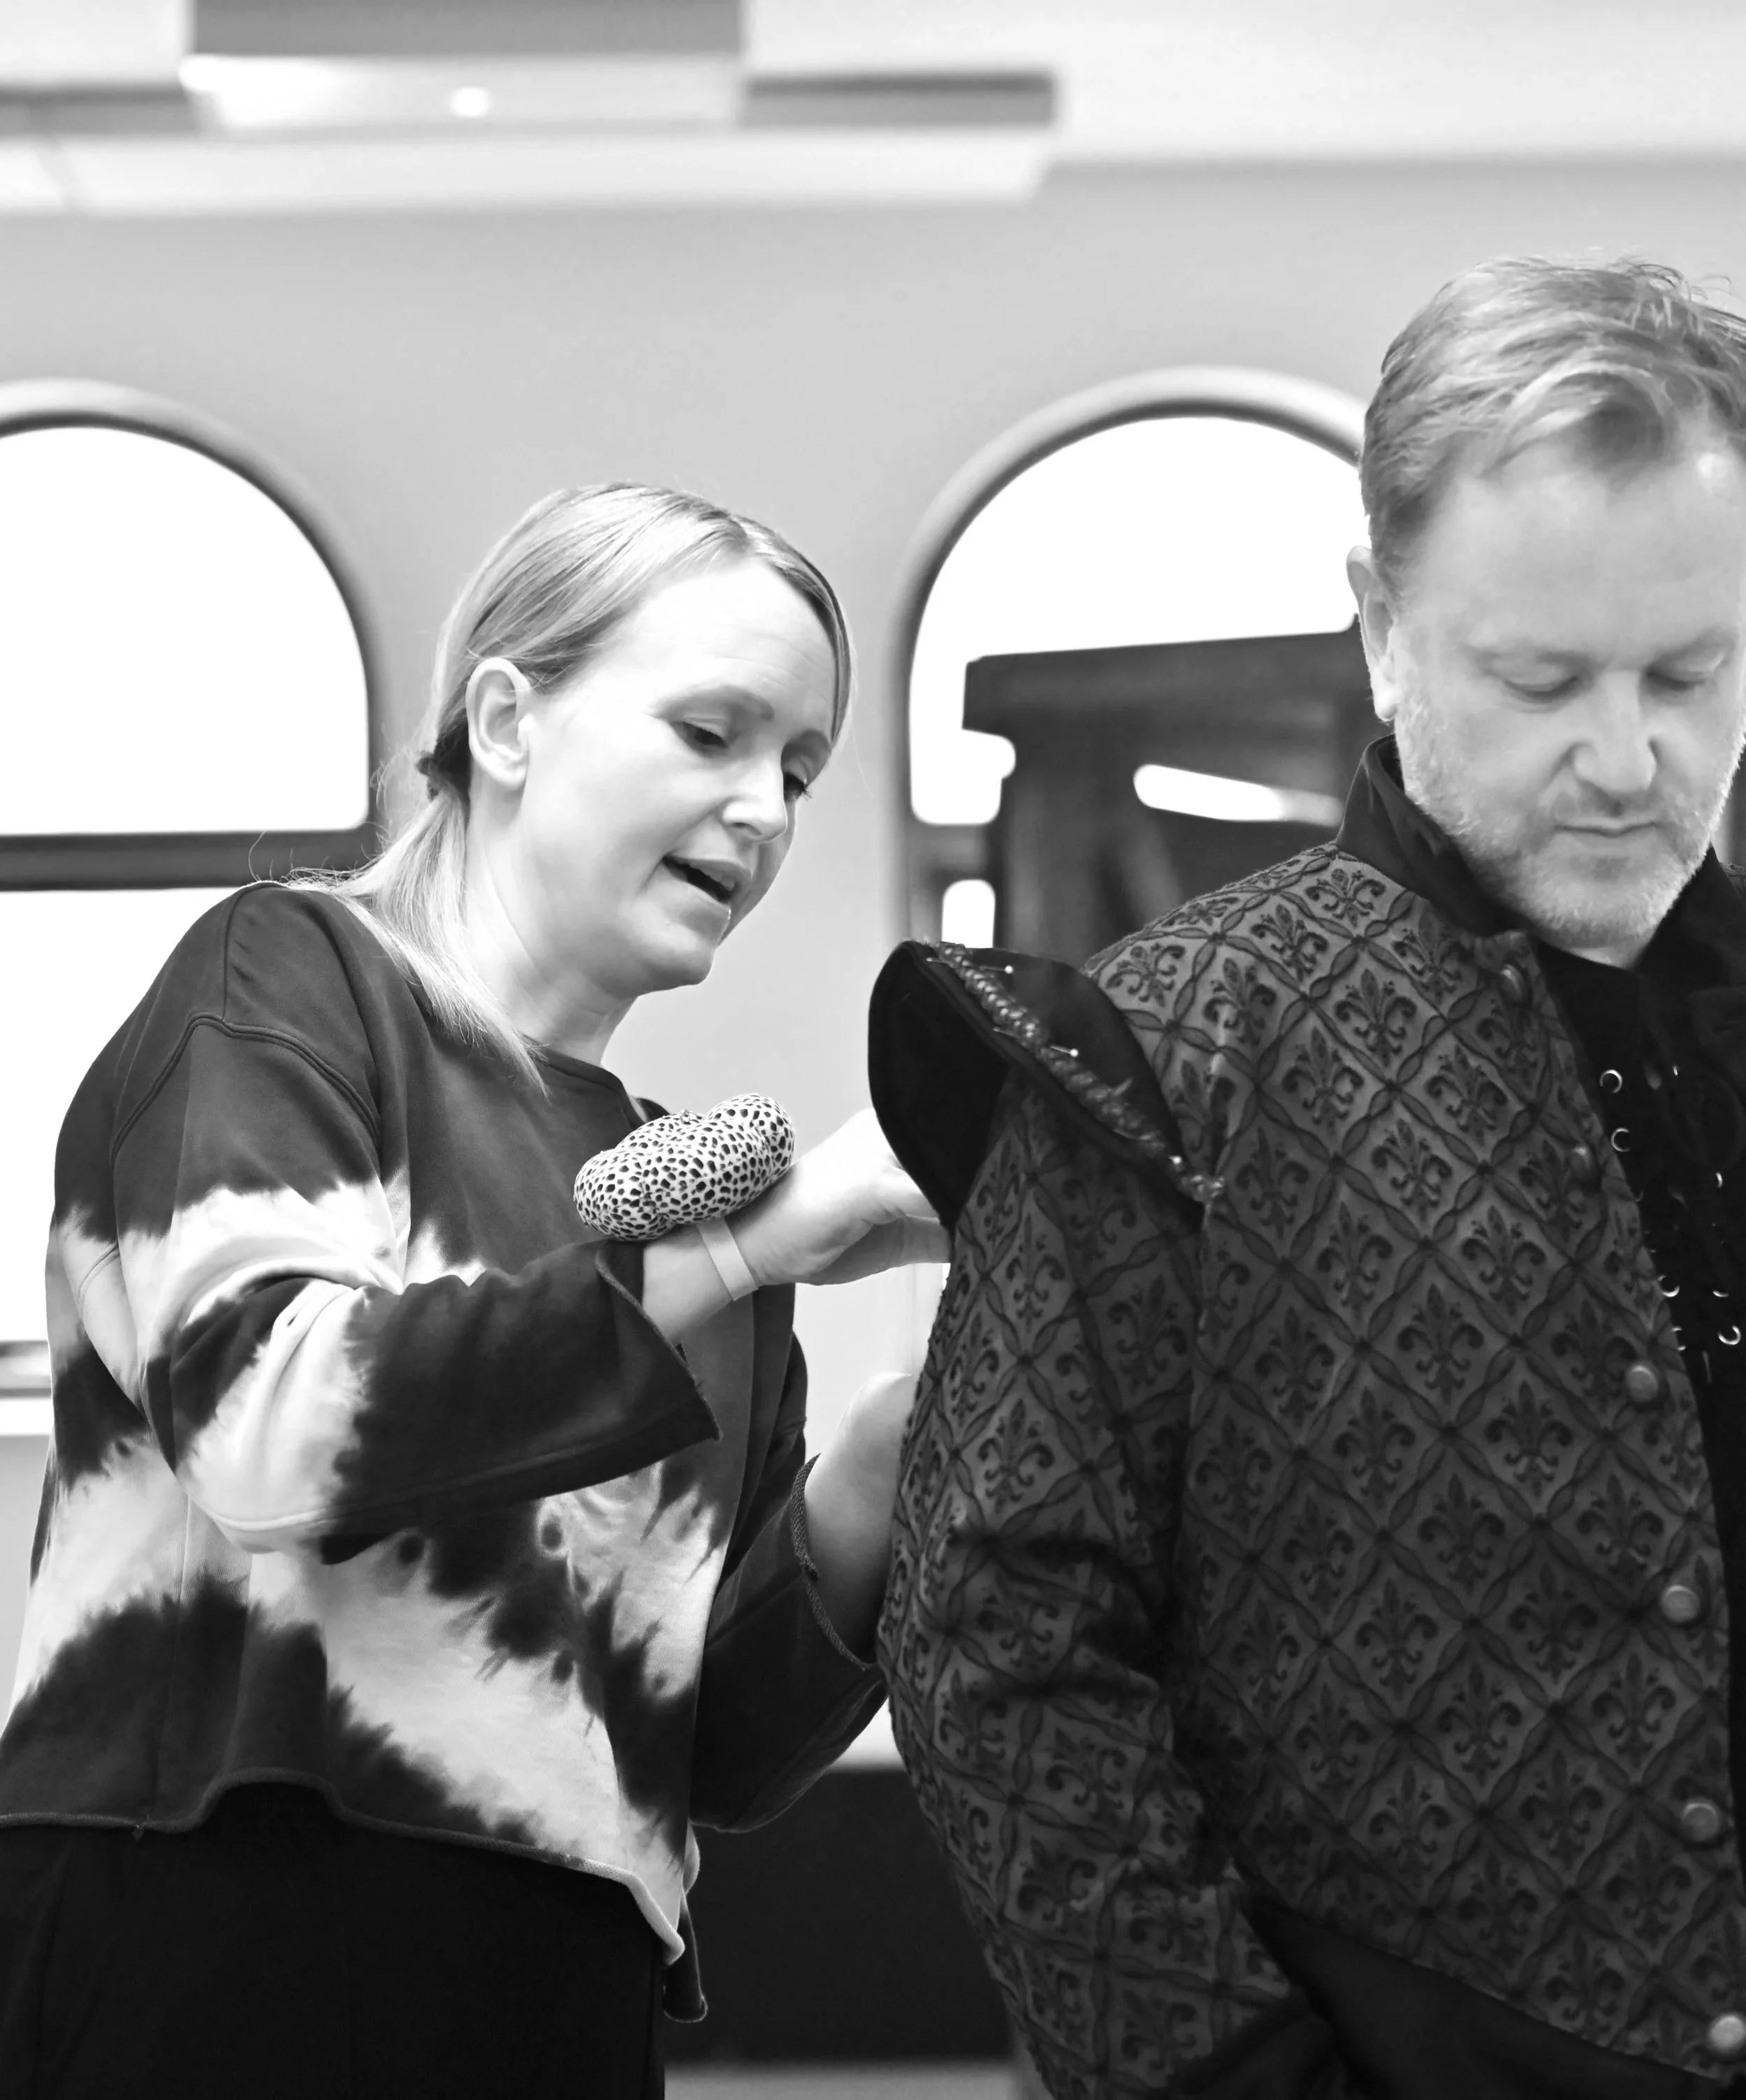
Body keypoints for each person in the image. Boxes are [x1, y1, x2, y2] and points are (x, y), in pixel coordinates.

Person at [875, 256, 1746, 2099]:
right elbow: (992, 1639)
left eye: (1691, 670)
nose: (1625, 754)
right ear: (1376, 626)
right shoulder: (1170, 1048)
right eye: (1535, 677)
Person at [0, 482, 944, 2098]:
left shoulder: (688, 1196)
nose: (767, 810)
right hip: (223, 1917)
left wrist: (891, 1462)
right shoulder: (281, 985)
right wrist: (734, 1257)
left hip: (559, 1975)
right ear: (506, 718)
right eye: (712, 732)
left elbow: (708, 1747)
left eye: (795, 767)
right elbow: (270, 1434)